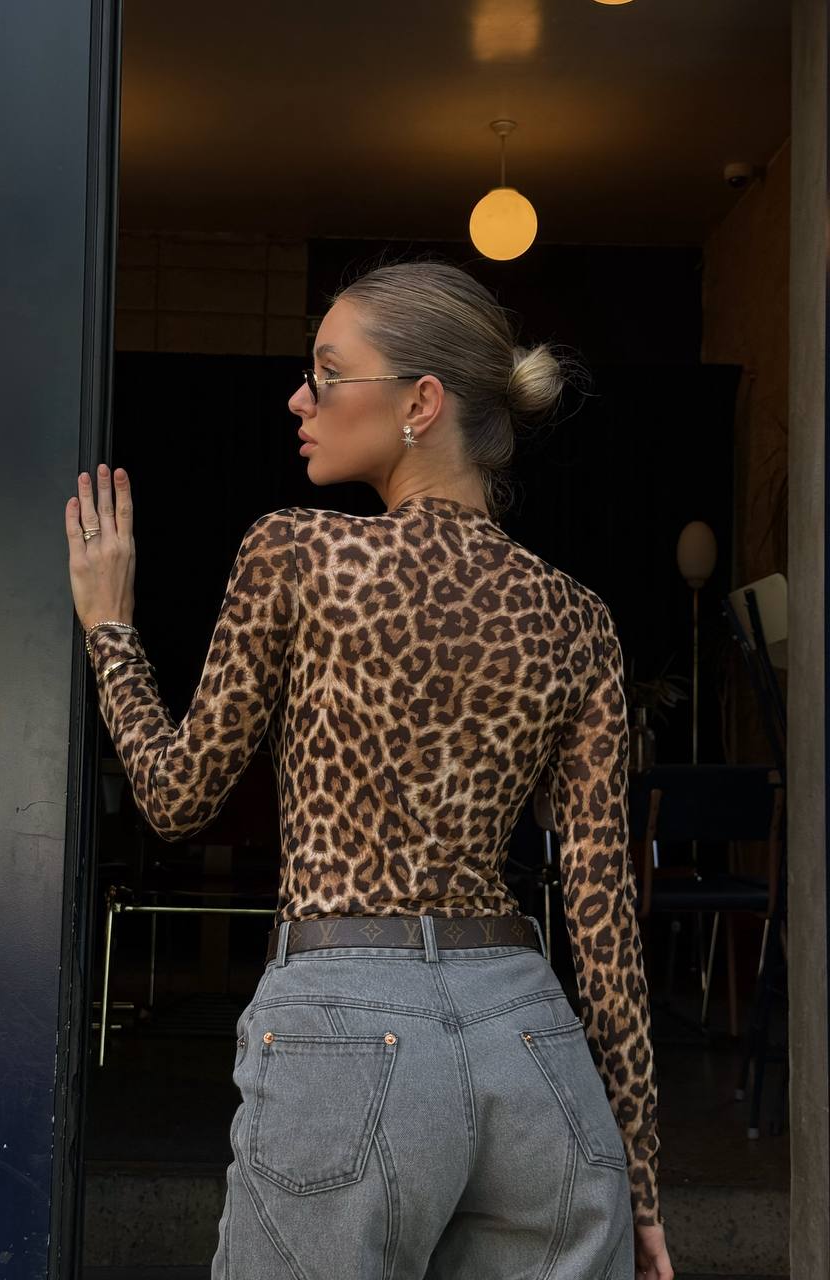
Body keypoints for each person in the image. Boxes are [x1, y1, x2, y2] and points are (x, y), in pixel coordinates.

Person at [65, 259, 674, 1280]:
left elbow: (175, 798)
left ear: (419, 403)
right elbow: (604, 915)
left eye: (328, 372)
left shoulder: (297, 553)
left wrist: (111, 625)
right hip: (531, 1040)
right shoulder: (579, 617)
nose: (299, 398)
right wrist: (644, 1177)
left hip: (343, 1033)